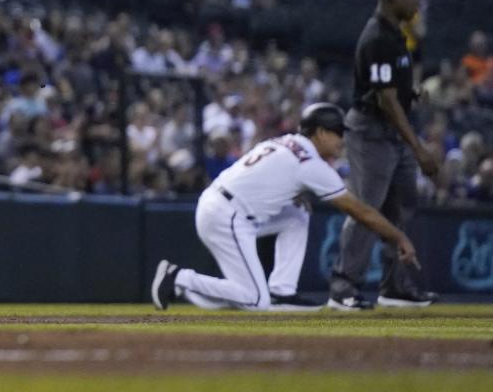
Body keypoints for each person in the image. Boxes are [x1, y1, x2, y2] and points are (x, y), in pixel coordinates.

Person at [152, 103, 422, 312]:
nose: (343, 141)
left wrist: (295, 192)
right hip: (228, 216)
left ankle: (283, 290)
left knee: (297, 214)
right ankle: (180, 278)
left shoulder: (284, 142)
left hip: (223, 207)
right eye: (338, 133)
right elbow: (360, 211)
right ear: (320, 132)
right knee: (256, 299)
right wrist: (398, 236)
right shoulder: (310, 163)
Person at [328, 0, 439, 310]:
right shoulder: (378, 36)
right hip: (372, 131)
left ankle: (395, 286)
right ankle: (343, 286)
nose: (417, 1)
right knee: (366, 207)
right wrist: (419, 147)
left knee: (402, 205)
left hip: (391, 129)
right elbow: (384, 100)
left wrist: (411, 93)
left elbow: (393, 93)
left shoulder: (396, 34)